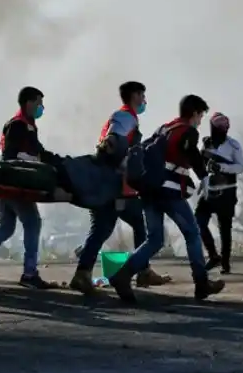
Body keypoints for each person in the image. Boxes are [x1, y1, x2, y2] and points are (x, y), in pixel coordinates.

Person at [108, 95, 226, 303]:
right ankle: (201, 283)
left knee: (154, 239)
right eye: (200, 115)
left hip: (148, 190)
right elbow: (190, 153)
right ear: (195, 113)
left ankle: (123, 275)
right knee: (192, 233)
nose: (200, 120)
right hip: (168, 190)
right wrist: (205, 178)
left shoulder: (165, 128)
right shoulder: (188, 131)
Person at [69, 81, 170, 294]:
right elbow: (112, 143)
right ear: (134, 96)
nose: (144, 101)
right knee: (122, 227)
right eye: (142, 96)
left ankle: (86, 273)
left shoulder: (126, 118)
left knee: (109, 228)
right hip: (113, 185)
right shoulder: (124, 117)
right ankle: (138, 272)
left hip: (112, 185)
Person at [0, 86, 59, 290]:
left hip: (7, 183)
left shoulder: (27, 125)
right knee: (32, 222)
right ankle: (29, 273)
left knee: (5, 227)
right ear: (29, 103)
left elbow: (38, 153)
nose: (42, 108)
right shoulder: (17, 125)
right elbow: (8, 159)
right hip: (14, 183)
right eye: (39, 103)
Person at [195, 113, 243, 274]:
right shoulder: (207, 144)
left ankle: (225, 262)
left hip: (227, 191)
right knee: (198, 223)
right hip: (209, 191)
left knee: (225, 228)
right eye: (218, 128)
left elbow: (241, 167)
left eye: (224, 128)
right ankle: (213, 255)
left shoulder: (233, 145)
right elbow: (200, 166)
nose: (221, 131)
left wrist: (222, 167)